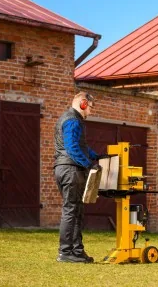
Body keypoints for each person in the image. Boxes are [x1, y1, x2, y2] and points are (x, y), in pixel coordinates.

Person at [52, 92, 107, 263]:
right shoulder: (72, 120)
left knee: (76, 211)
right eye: (91, 107)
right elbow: (72, 148)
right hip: (71, 170)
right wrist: (89, 164)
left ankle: (77, 251)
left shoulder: (72, 120)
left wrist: (96, 156)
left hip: (67, 169)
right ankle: (65, 252)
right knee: (71, 210)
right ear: (83, 104)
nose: (91, 111)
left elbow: (81, 146)